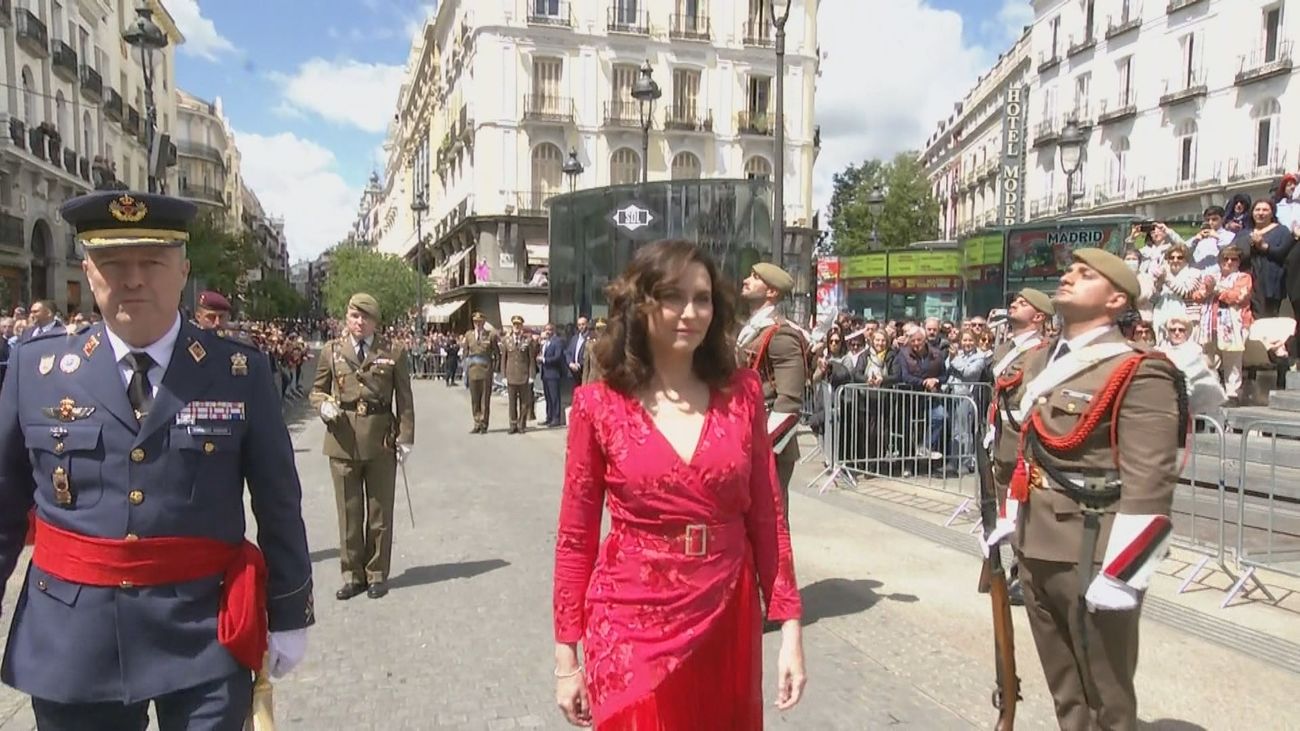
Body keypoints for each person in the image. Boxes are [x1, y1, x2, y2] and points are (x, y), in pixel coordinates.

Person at [0, 189, 314, 729]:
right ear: (87, 270)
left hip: (201, 632)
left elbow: (278, 501)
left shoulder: (238, 372)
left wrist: (289, 611)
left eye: (152, 261)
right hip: (73, 637)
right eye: (112, 262)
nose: (133, 278)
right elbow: (3, 504)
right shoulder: (37, 368)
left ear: (184, 269)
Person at [552, 240, 805, 729]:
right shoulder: (598, 406)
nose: (691, 311)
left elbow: (768, 518)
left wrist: (790, 626)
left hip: (727, 616)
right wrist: (567, 658)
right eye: (673, 296)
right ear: (639, 302)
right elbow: (575, 538)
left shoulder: (743, 396)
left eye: (703, 297)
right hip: (629, 624)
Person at [988, 248, 1183, 731]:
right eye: (1069, 270)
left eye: (1085, 274)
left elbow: (1149, 483)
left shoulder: (1140, 370)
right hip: (1035, 546)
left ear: (1116, 299)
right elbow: (1025, 453)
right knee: (1066, 691)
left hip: (1092, 551)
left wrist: (1122, 575)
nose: (1069, 277)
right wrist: (1007, 517)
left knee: (1106, 697)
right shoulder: (1040, 364)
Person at [309, 293, 415, 601]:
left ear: (375, 322)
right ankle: (352, 574)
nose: (359, 322)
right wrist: (323, 405)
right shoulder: (332, 351)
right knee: (349, 512)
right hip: (342, 439)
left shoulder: (393, 352)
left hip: (381, 440)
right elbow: (316, 391)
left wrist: (405, 437)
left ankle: (377, 573)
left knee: (380, 512)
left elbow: (405, 400)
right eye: (354, 316)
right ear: (347, 318)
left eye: (365, 317)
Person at [736, 263, 807, 519]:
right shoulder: (752, 328)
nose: (746, 280)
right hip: (747, 437)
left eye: (755, 278)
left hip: (769, 447)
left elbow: (789, 403)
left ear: (772, 292)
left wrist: (761, 447)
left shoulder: (781, 334)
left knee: (771, 525)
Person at [462, 312, 499, 434]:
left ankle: (484, 423)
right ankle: (476, 422)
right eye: (475, 322)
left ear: (484, 322)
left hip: (486, 369)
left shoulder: (491, 335)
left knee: (485, 398)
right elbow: (465, 353)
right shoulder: (469, 335)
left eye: (480, 322)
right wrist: (465, 369)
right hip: (473, 369)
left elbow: (496, 354)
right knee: (474, 398)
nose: (478, 324)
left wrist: (495, 369)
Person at [501, 315, 537, 434]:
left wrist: (532, 375)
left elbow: (531, 359)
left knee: (524, 402)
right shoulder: (506, 340)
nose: (516, 327)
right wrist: (504, 376)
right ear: (512, 326)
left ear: (521, 326)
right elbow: (504, 359)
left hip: (523, 375)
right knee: (512, 403)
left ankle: (522, 425)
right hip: (511, 375)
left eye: (519, 325)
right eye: (515, 325)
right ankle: (513, 424)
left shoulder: (527, 341)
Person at [539, 323, 567, 426]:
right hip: (545, 374)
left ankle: (556, 418)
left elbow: (558, 357)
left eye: (550, 330)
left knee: (554, 397)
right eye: (546, 329)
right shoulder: (546, 342)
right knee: (548, 397)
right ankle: (549, 416)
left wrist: (545, 360)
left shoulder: (557, 342)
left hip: (553, 374)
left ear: (553, 330)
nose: (548, 331)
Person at [564, 316, 590, 385]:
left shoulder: (591, 338)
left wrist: (579, 364)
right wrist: (570, 363)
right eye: (579, 325)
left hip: (584, 372)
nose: (581, 327)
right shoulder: (575, 338)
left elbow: (591, 356)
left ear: (587, 324)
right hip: (573, 373)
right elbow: (567, 352)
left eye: (583, 324)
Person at [582, 318, 607, 385]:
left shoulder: (611, 344)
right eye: (598, 328)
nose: (600, 331)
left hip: (607, 382)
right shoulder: (589, 344)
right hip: (593, 381)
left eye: (603, 328)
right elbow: (586, 368)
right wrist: (584, 385)